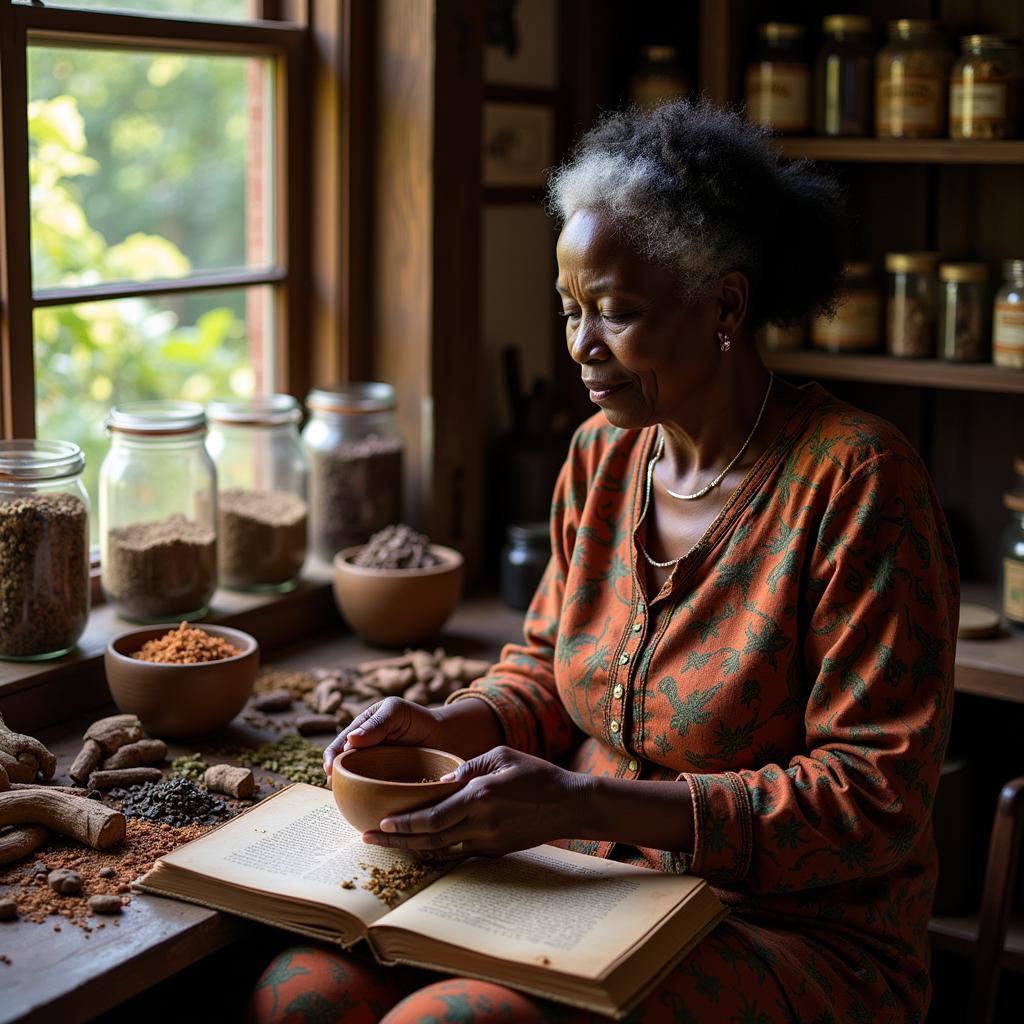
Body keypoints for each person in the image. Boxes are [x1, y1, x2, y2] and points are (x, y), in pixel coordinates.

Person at [247, 99, 959, 1023]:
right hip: (582, 880)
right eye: (571, 310)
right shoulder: (602, 454)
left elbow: (874, 799)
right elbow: (545, 671)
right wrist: (445, 725)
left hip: (791, 931)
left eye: (616, 313)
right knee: (299, 992)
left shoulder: (858, 481)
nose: (580, 346)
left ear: (726, 305)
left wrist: (585, 804)